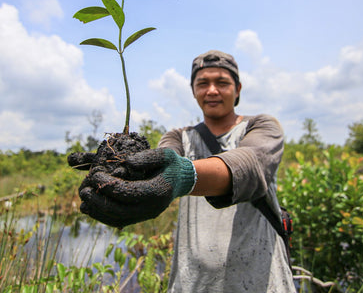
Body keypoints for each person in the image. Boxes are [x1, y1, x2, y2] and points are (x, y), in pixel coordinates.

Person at [70, 50, 294, 292]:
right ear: (193, 90)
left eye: (222, 82)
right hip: (192, 283)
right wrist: (123, 169)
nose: (212, 90)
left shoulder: (261, 126)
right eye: (203, 83)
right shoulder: (179, 137)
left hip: (262, 281)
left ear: (238, 89)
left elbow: (251, 164)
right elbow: (164, 162)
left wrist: (183, 176)